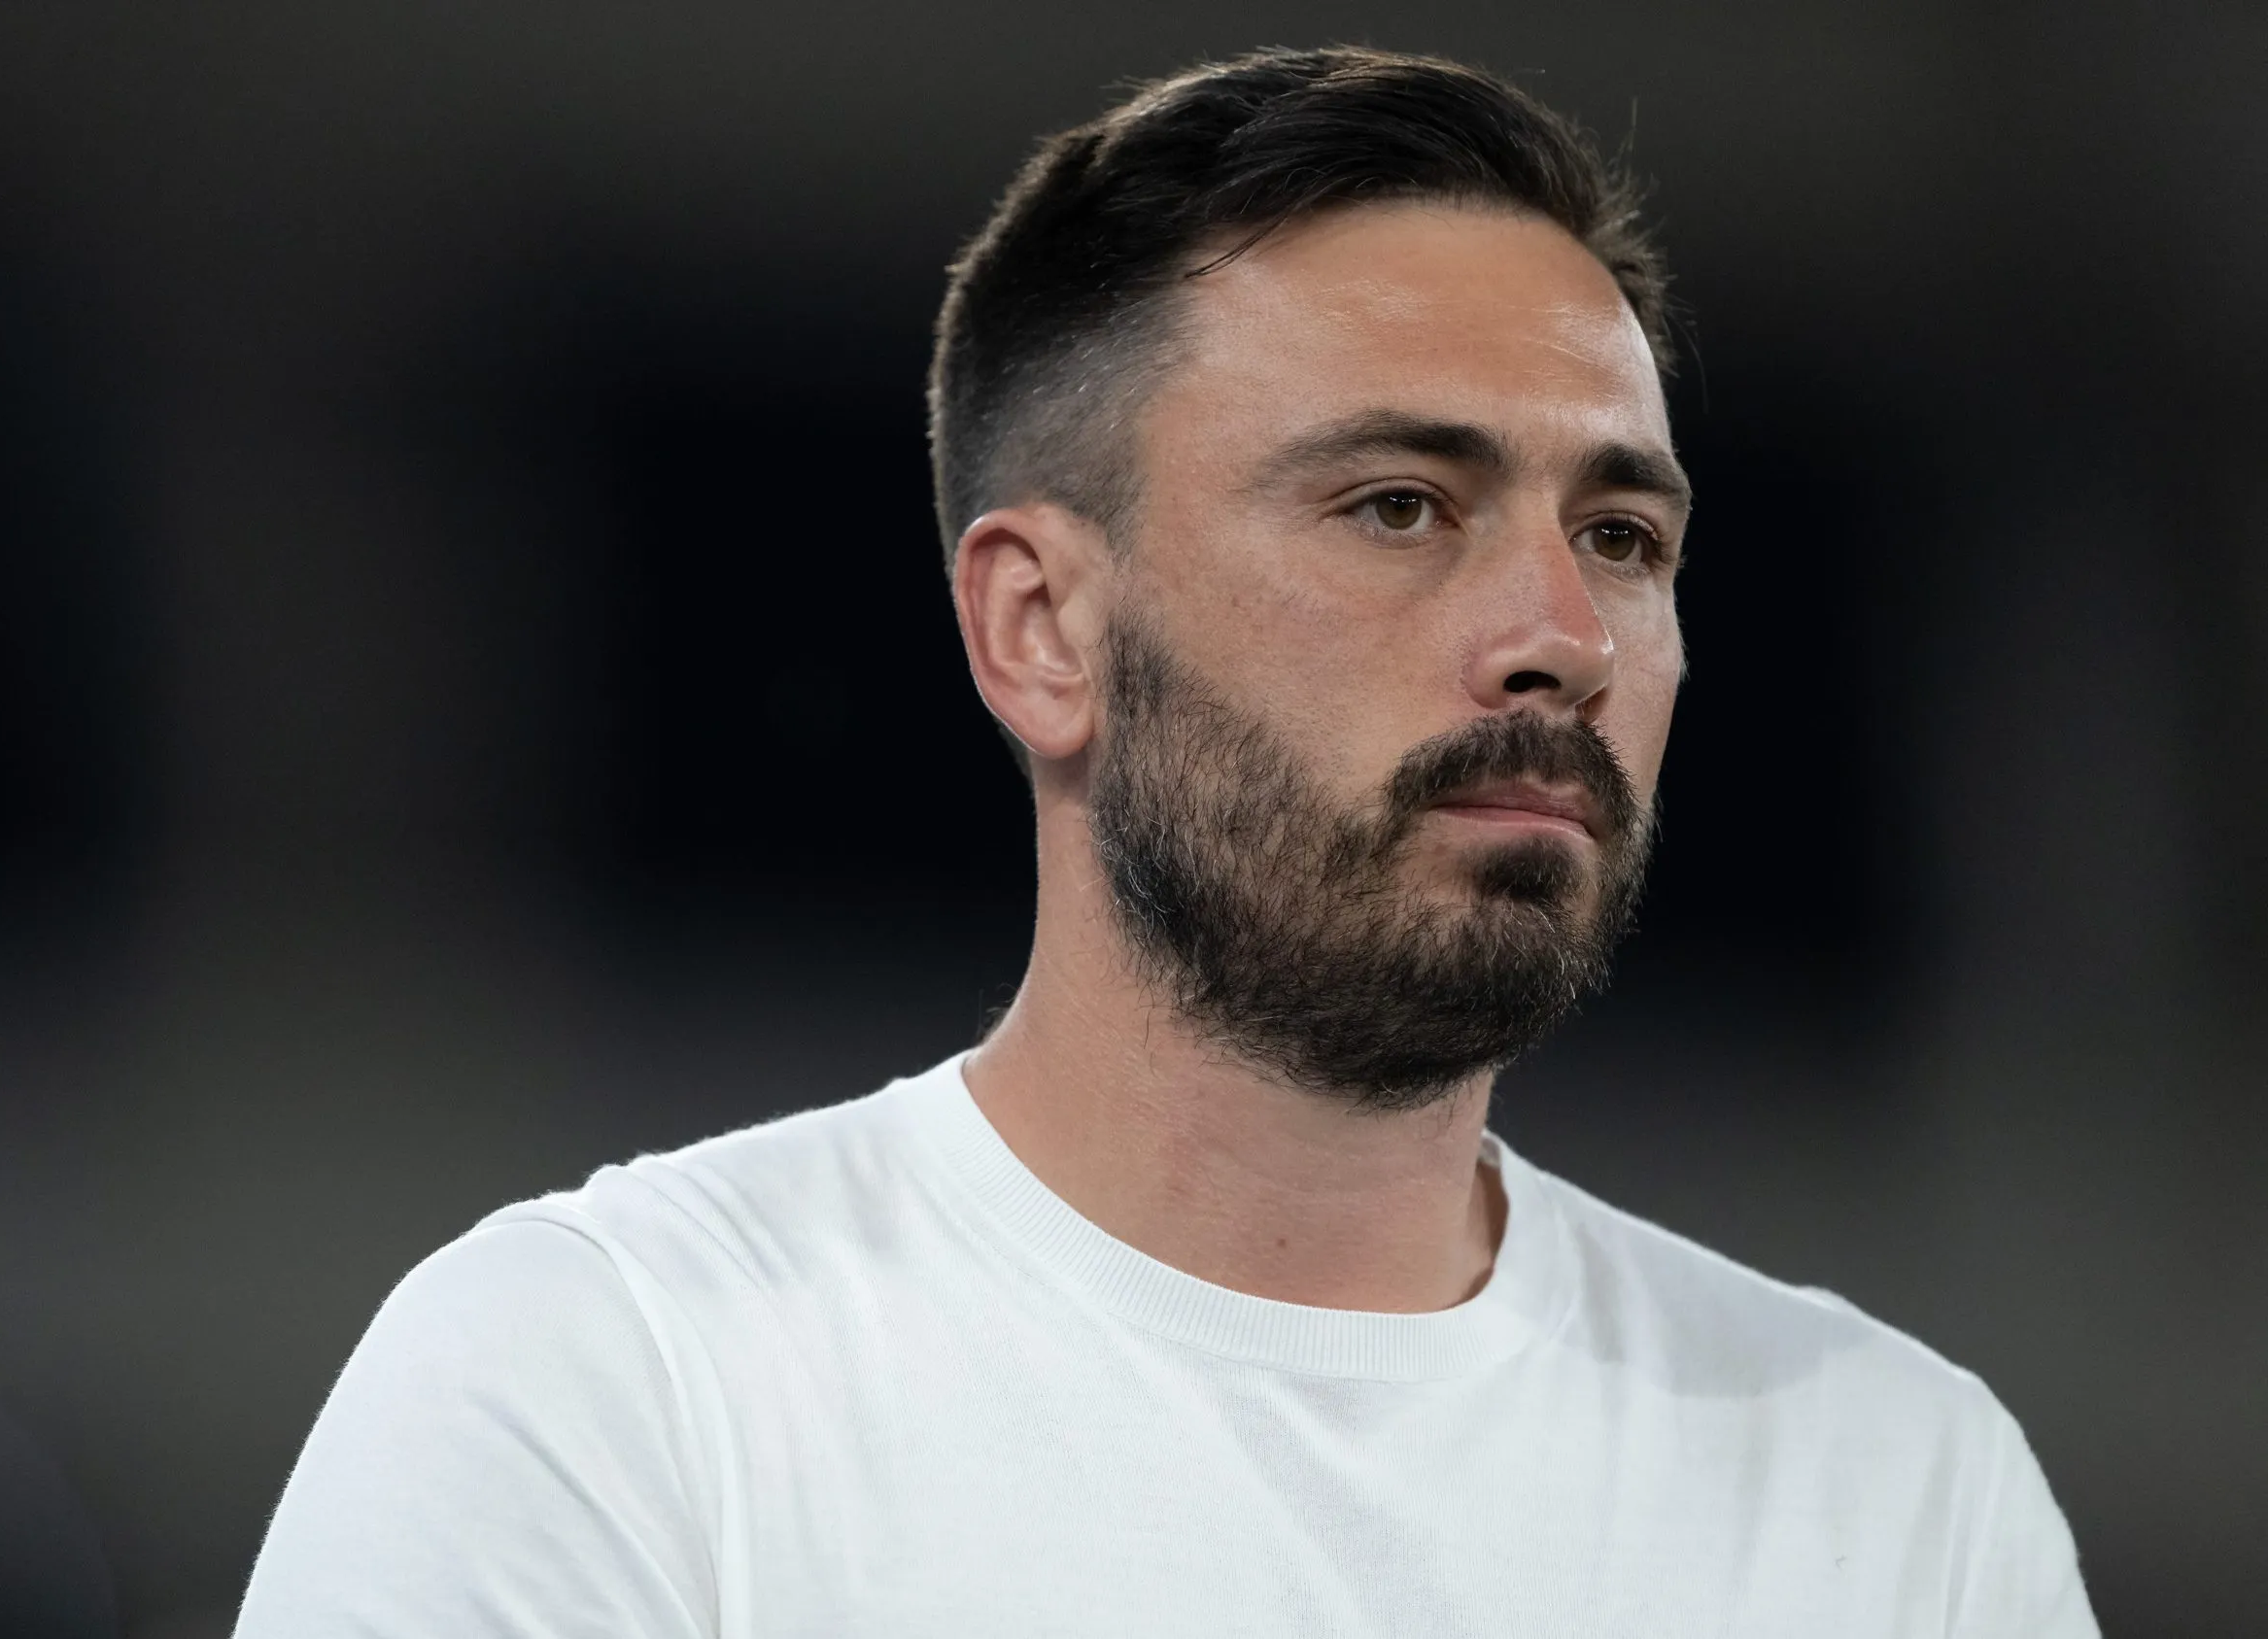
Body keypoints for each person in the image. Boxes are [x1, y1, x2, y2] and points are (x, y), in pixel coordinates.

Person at [233, 46, 2095, 1637]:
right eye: (1399, 505)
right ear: (1043, 627)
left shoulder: (1895, 1497)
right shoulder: (615, 1390)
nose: (1564, 635)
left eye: (1621, 537)